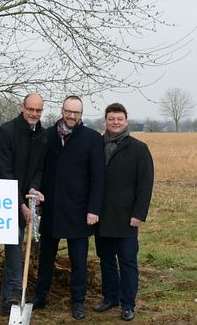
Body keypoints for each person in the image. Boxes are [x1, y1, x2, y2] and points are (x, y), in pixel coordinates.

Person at [32, 95, 105, 320]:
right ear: (62, 111)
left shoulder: (92, 138)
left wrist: (94, 209)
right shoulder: (47, 136)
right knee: (46, 258)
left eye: (77, 112)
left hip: (79, 211)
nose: (72, 116)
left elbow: (98, 177)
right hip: (51, 208)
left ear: (81, 115)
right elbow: (40, 169)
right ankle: (40, 296)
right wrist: (36, 194)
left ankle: (78, 301)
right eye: (69, 111)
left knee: (79, 262)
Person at [93, 103, 154, 322]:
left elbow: (145, 185)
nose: (115, 122)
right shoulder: (96, 145)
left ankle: (128, 304)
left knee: (128, 262)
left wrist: (139, 214)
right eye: (111, 119)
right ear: (105, 121)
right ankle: (110, 298)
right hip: (101, 216)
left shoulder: (139, 148)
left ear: (126, 121)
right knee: (106, 259)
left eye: (119, 119)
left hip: (127, 218)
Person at [0, 93, 46, 315]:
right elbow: (3, 171)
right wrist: (18, 203)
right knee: (13, 245)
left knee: (20, 244)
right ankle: (11, 297)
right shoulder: (7, 132)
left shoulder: (42, 135)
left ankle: (15, 294)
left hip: (26, 199)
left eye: (38, 110)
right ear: (22, 107)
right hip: (6, 198)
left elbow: (39, 168)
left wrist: (32, 190)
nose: (34, 114)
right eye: (30, 109)